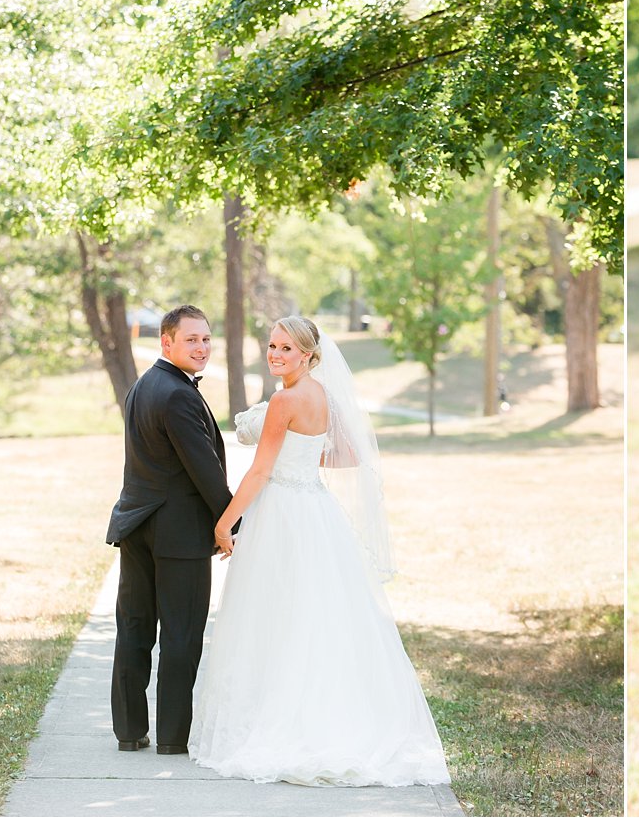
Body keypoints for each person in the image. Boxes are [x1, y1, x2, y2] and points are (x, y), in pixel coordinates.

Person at [189, 315, 449, 787]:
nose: (276, 355)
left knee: (276, 614)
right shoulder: (322, 397)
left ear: (308, 355)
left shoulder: (286, 400)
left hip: (283, 513)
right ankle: (324, 712)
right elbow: (349, 454)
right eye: (272, 346)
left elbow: (259, 472)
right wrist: (304, 457)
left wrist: (225, 523)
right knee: (313, 614)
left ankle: (286, 718)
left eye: (287, 349)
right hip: (316, 511)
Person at [107, 304, 233, 755]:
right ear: (167, 342)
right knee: (181, 633)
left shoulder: (143, 386)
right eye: (191, 339)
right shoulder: (179, 394)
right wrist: (232, 524)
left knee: (135, 627)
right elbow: (205, 471)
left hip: (136, 523)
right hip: (176, 533)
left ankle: (129, 730)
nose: (201, 347)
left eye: (205, 338)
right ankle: (173, 738)